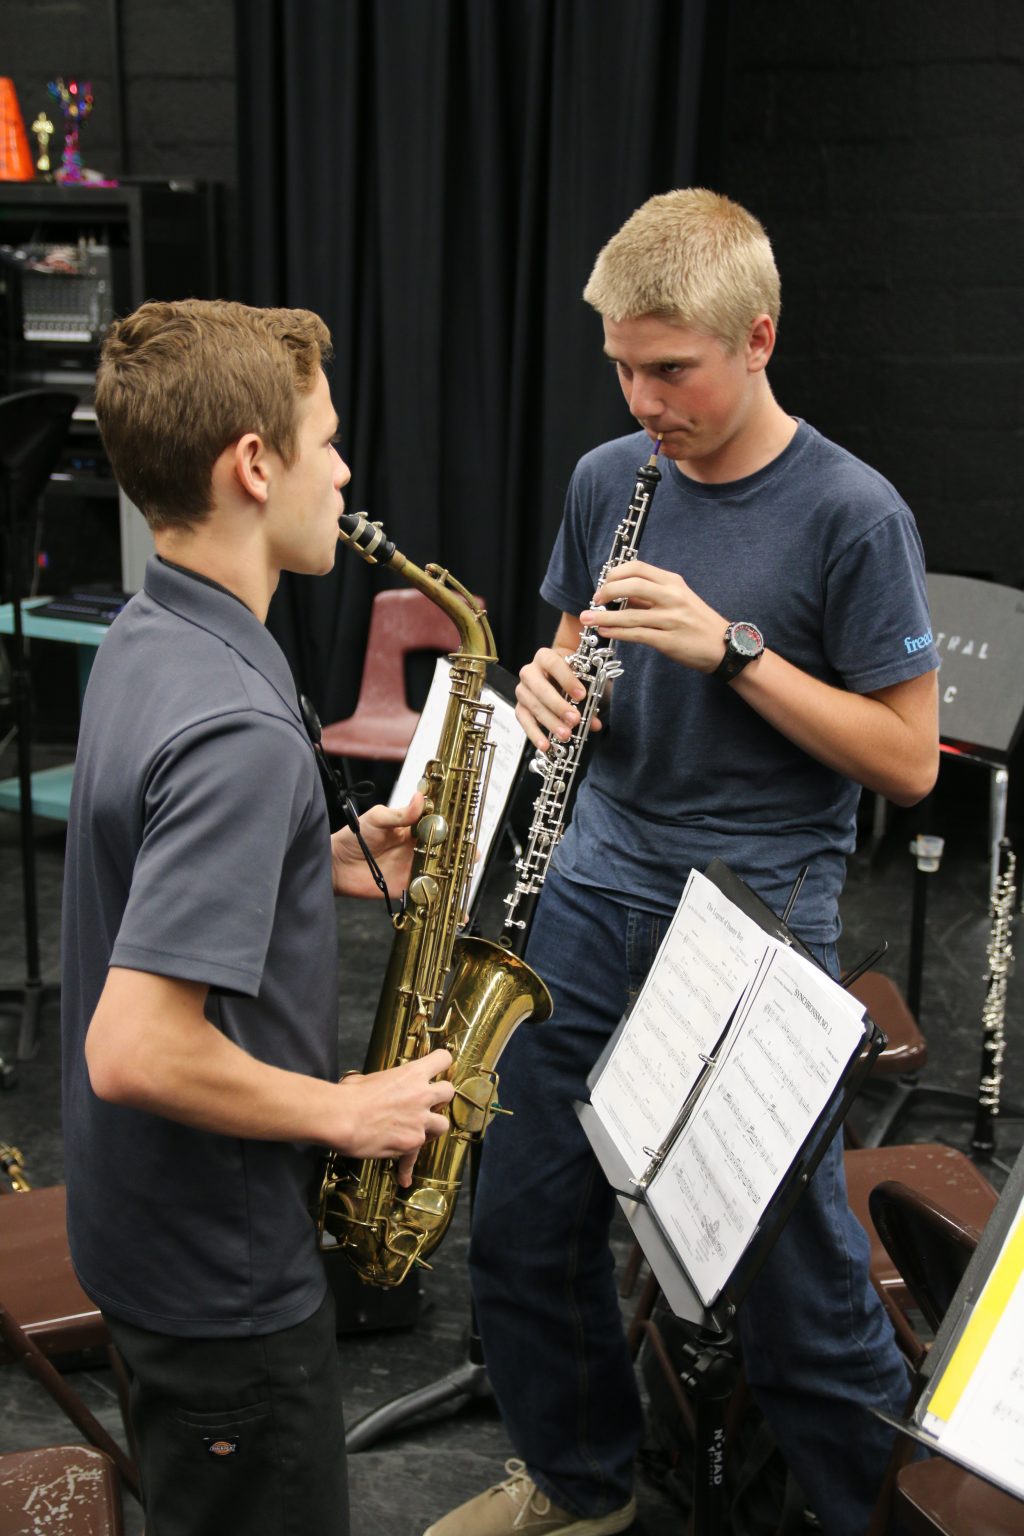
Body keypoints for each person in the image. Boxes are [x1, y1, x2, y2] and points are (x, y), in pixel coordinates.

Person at [425, 189, 939, 1536]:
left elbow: (909, 759)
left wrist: (737, 650)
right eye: (622, 367)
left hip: (755, 917)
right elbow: (560, 648)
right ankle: (583, 1488)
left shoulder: (852, 514)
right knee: (524, 1223)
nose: (643, 398)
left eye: (672, 370)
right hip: (596, 888)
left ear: (757, 338)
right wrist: (539, 687)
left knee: (786, 1275)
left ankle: (858, 1513)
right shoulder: (613, 480)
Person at [61, 298, 455, 1536]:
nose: (342, 471)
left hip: (143, 1231)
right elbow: (135, 1049)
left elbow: (148, 859)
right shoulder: (234, 724)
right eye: (325, 441)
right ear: (253, 464)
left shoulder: (153, 628)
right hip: (224, 1277)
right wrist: (350, 1111)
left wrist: (308, 857)